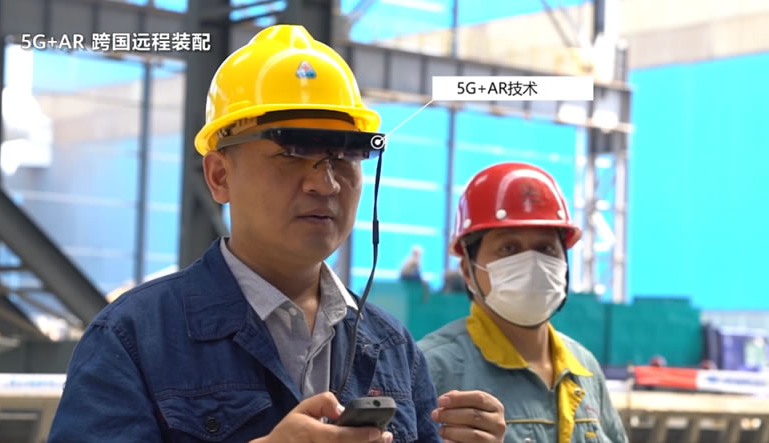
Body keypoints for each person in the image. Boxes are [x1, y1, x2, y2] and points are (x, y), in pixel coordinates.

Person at [48, 25, 505, 443]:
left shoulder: (391, 347)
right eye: (292, 153)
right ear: (220, 176)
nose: (325, 183)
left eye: (345, 156)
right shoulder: (133, 339)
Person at [418, 162, 628, 443]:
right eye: (509, 248)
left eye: (546, 248)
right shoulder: (430, 368)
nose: (532, 264)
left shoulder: (584, 366)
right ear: (468, 270)